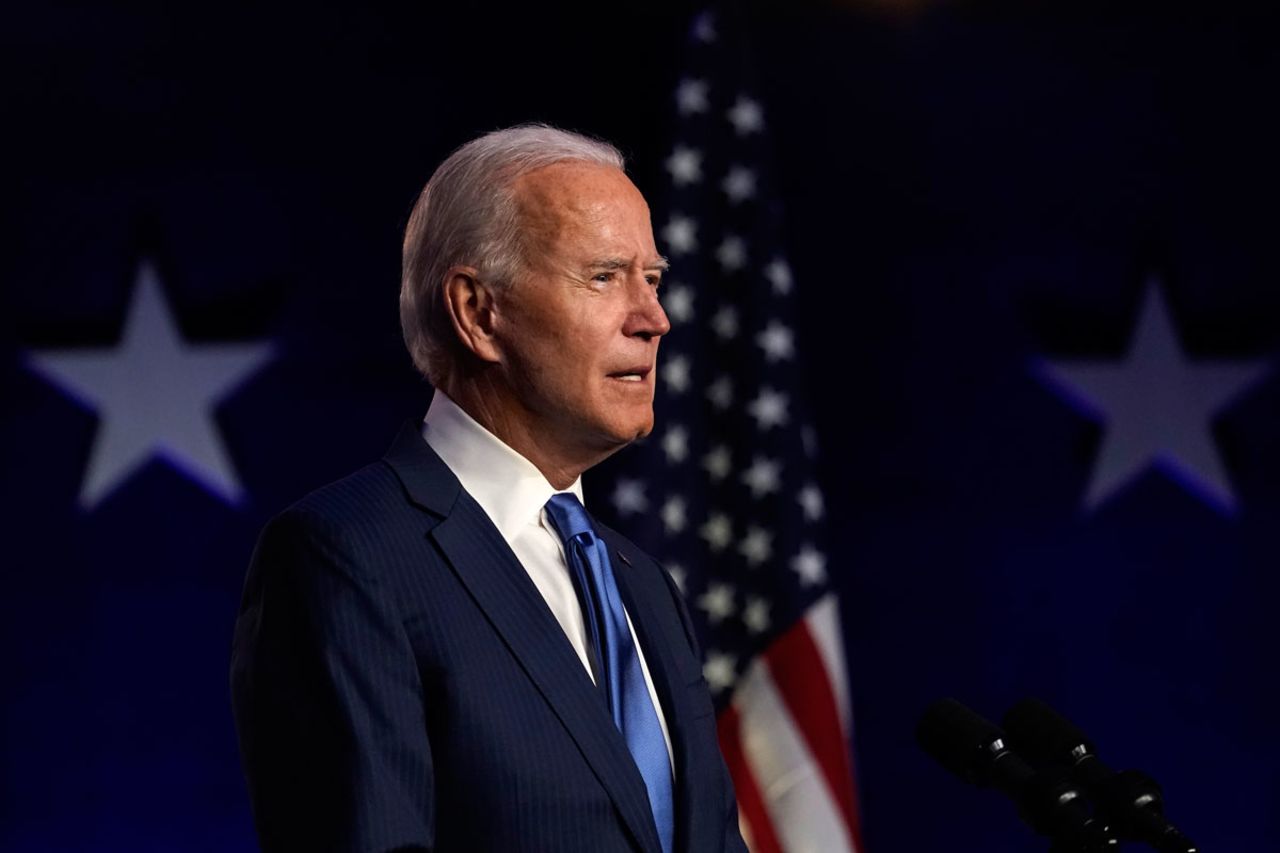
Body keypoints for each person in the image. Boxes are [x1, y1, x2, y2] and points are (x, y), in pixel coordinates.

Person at [229, 124, 749, 853]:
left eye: (653, 279)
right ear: (478, 313)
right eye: (604, 276)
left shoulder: (645, 588)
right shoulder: (347, 558)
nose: (654, 319)